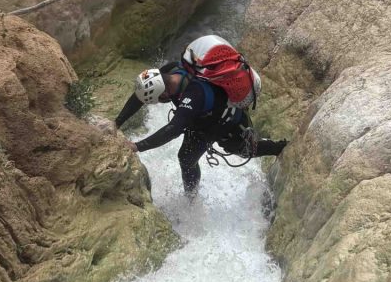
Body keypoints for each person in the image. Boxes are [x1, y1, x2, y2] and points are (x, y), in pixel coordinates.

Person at [115, 62, 287, 195]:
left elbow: (174, 129)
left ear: (165, 94)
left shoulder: (193, 94)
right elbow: (140, 96)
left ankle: (280, 148)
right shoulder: (171, 70)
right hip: (199, 119)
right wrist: (116, 123)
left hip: (225, 122)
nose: (159, 102)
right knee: (186, 158)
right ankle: (191, 198)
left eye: (158, 100)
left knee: (244, 150)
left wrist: (137, 146)